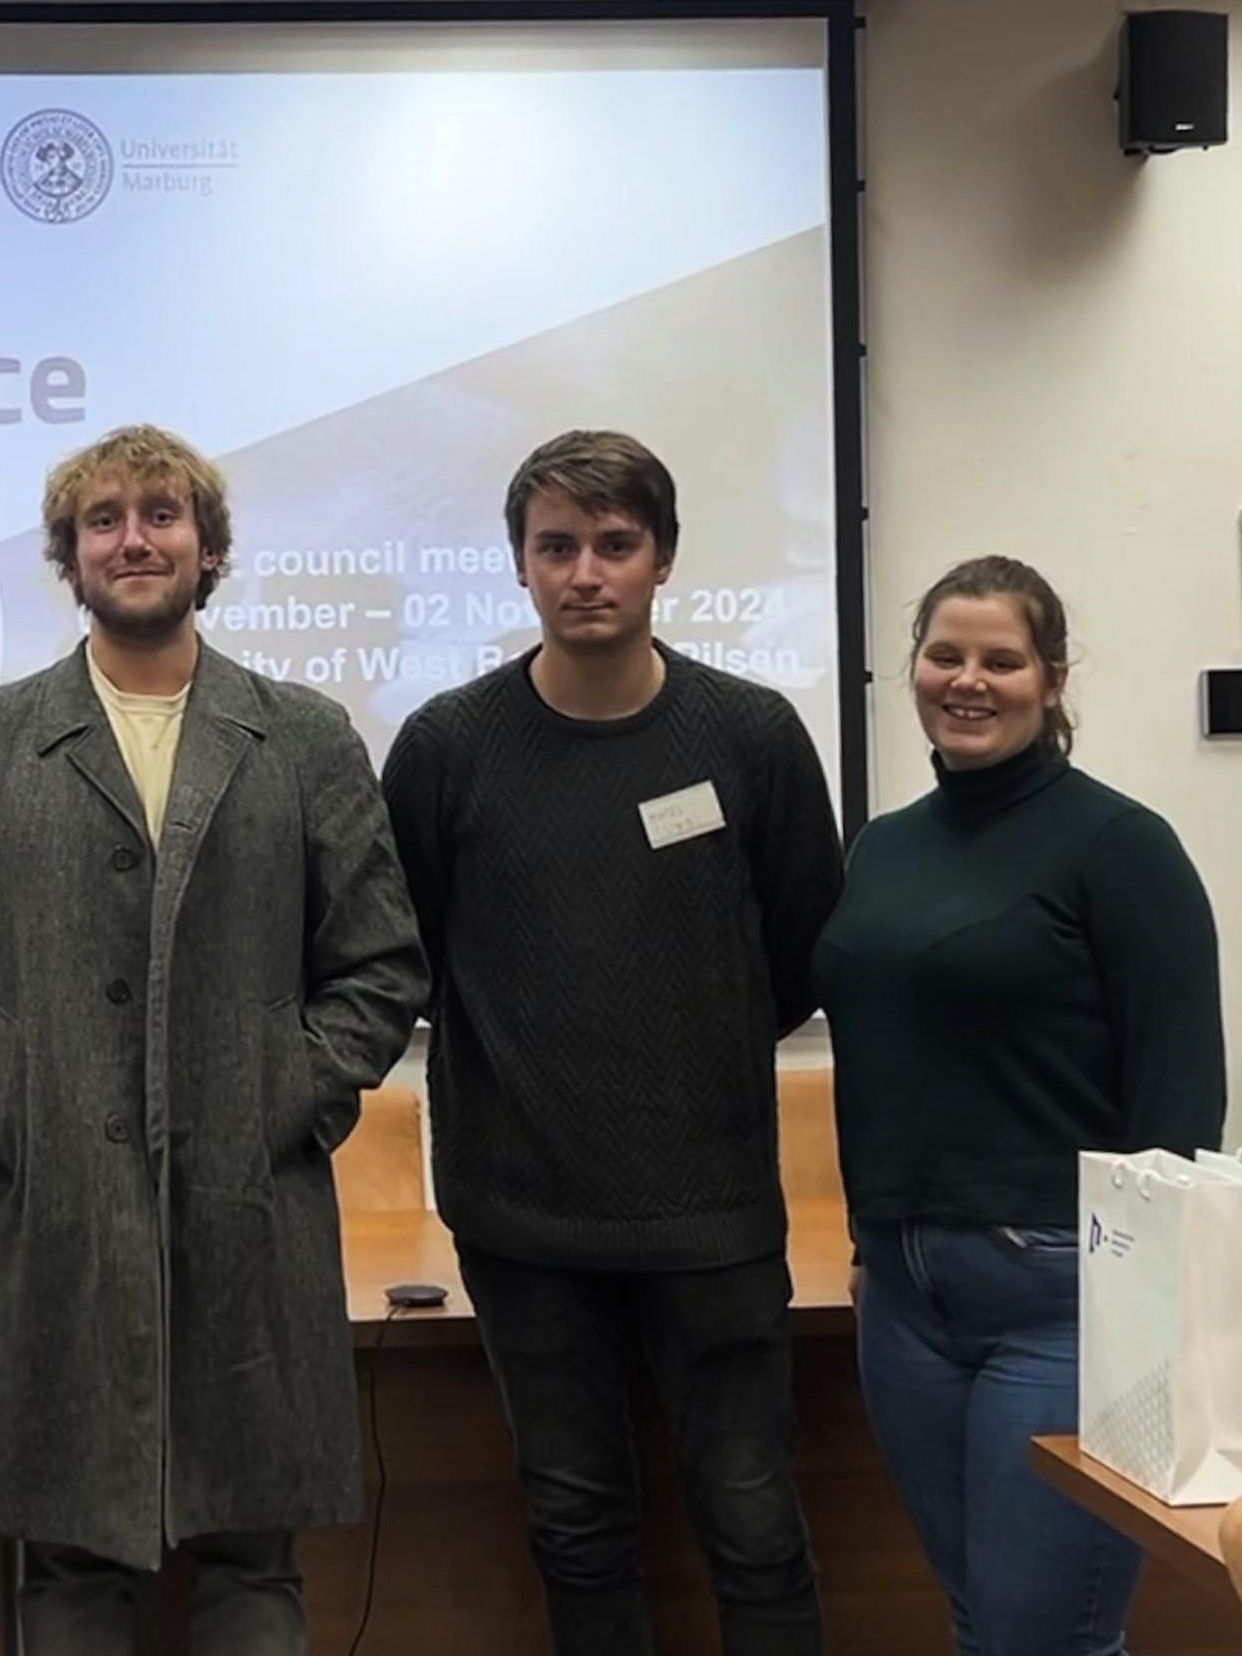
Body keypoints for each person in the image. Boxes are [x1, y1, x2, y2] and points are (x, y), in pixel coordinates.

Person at [0, 424, 427, 1656]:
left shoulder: (304, 735)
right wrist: (10, 1113)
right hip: (54, 1222)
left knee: (254, 1559)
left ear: (210, 546)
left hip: (252, 1212)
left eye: (163, 513)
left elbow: (381, 963)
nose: (137, 537)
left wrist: (292, 1097)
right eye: (106, 519)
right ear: (69, 556)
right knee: (65, 1566)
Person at [381, 428, 842, 1656]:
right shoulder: (445, 746)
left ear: (664, 560)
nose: (587, 571)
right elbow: (409, 952)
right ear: (520, 565)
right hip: (525, 1221)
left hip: (714, 1215)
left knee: (753, 1525)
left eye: (615, 544)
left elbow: (804, 947)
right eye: (558, 546)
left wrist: (684, 1049)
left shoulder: (747, 734)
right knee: (576, 1530)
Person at [812, 557, 1224, 1656]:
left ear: (1053, 678)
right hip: (903, 1292)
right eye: (945, 654)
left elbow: (1182, 1093)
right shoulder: (886, 845)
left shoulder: (1119, 845)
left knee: (1048, 1638)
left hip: (1063, 1300)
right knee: (979, 1619)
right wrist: (871, 1248)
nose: (969, 680)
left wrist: (1145, 1305)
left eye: (1002, 659)